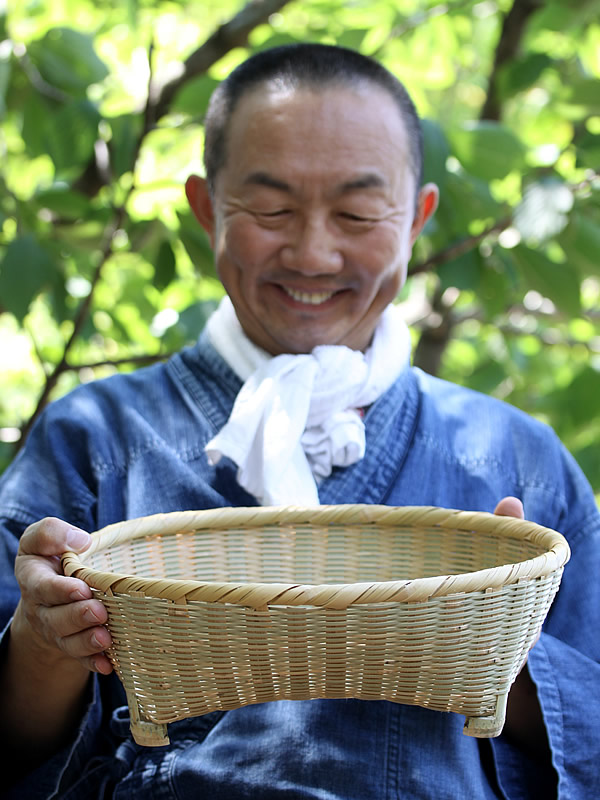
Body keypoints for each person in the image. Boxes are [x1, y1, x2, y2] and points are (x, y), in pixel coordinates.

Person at [0, 43, 598, 800]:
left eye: (355, 213)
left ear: (416, 218)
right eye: (273, 209)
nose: (314, 252)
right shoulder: (94, 441)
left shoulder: (515, 460)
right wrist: (43, 639)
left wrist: (490, 646)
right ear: (206, 208)